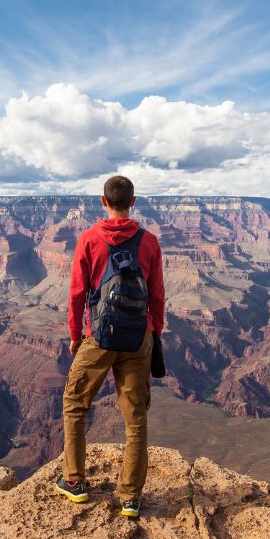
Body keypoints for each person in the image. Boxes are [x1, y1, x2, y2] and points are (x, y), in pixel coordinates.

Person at [54, 175, 165, 519]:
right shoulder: (149, 242)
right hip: (138, 338)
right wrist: (153, 334)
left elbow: (76, 294)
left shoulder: (88, 239)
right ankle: (129, 497)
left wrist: (76, 335)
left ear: (103, 201)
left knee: (75, 403)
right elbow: (158, 296)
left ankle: (75, 481)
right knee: (136, 419)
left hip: (99, 337)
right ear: (134, 201)